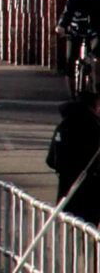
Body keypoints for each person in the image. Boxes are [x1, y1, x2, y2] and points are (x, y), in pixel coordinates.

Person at [47, 91, 100, 224]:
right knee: (89, 229)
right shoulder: (94, 127)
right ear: (93, 106)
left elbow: (50, 160)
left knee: (69, 227)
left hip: (65, 189)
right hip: (89, 189)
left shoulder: (63, 125)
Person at [56, 0, 100, 99]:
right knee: (70, 59)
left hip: (94, 32)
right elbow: (67, 14)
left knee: (97, 53)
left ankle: (96, 83)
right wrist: (61, 27)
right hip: (76, 31)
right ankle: (71, 92)